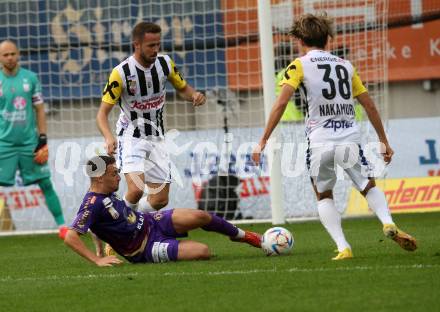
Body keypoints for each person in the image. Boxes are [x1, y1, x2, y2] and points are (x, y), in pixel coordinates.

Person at [252, 13, 417, 260]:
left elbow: (281, 103)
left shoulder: (298, 65)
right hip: (349, 137)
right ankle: (387, 221)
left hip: (319, 141)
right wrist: (383, 140)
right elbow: (369, 105)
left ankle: (343, 247)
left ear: (299, 40)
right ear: (328, 38)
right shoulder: (346, 66)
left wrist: (264, 138)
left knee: (323, 195)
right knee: (367, 184)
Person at [64, 155, 261, 266]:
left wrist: (99, 244)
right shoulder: (91, 204)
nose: (118, 177)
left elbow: (93, 226)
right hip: (144, 248)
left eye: (117, 172)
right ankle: (171, 247)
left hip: (151, 221)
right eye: (114, 173)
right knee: (202, 251)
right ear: (99, 178)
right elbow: (70, 236)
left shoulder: (105, 191)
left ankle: (242, 236)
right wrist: (97, 260)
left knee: (200, 216)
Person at [97, 22, 206, 215]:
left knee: (160, 200)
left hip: (157, 137)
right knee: (136, 190)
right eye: (151, 45)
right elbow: (102, 114)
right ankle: (119, 233)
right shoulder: (121, 73)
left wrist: (194, 95)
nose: (156, 49)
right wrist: (108, 137)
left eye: (158, 44)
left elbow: (183, 88)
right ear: (136, 44)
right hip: (131, 137)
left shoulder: (165, 64)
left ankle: (126, 218)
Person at [0, 40, 67, 239]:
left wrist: (43, 138)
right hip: (4, 143)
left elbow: (39, 109)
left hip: (30, 142)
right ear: (0, 57)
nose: (10, 57)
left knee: (45, 183)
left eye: (13, 53)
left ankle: (63, 227)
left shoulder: (30, 78)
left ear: (18, 54)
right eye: (5, 55)